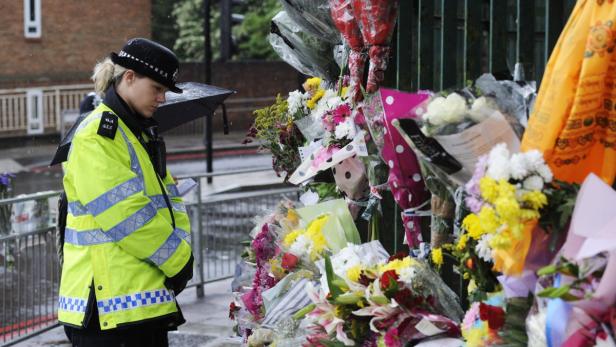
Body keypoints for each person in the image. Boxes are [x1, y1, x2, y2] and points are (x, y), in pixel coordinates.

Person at [58, 38, 193, 347]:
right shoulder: (99, 134)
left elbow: (162, 203)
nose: (161, 98)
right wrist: (179, 261)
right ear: (129, 77)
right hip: (107, 310)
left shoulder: (133, 133)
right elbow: (127, 214)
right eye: (157, 88)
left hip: (134, 304)